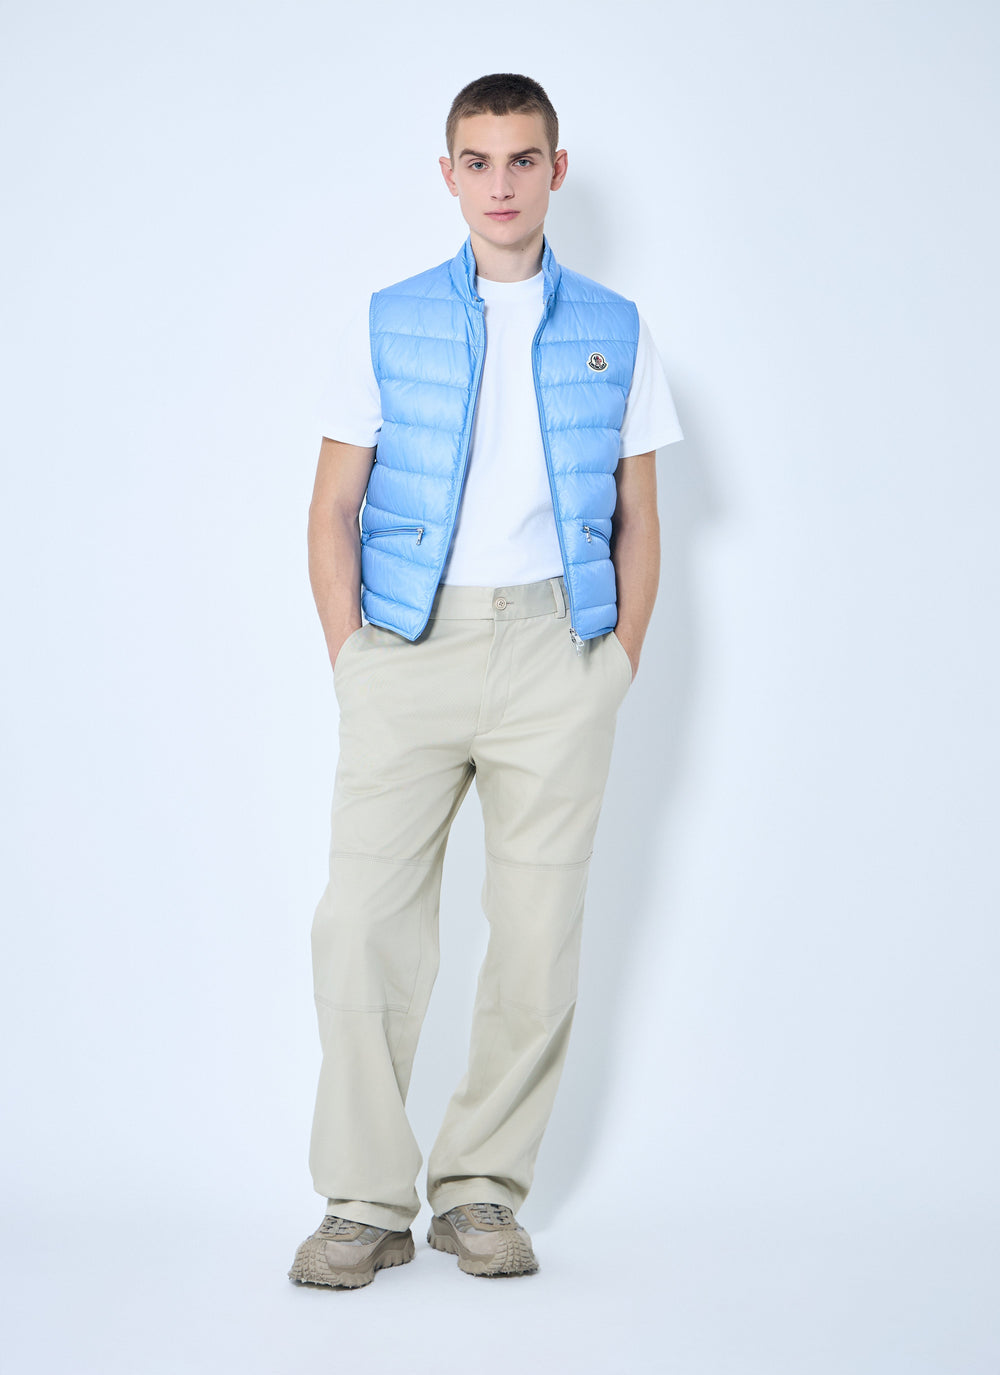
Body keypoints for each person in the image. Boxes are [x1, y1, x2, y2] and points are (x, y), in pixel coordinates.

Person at [288, 71, 684, 1289]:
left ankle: (479, 1192)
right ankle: (362, 1201)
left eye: (522, 160)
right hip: (408, 649)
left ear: (554, 171)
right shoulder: (387, 319)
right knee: (362, 926)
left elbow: (640, 519)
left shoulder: (617, 326)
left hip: (556, 653)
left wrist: (612, 666)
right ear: (448, 173)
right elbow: (332, 507)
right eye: (478, 161)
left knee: (538, 937)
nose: (500, 184)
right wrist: (354, 658)